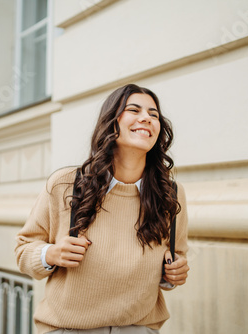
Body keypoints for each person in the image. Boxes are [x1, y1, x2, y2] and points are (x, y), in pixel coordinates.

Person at [15, 83, 189, 334]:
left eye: (154, 114)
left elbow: (175, 258)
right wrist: (51, 254)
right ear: (111, 122)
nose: (146, 118)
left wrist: (174, 274)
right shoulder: (65, 184)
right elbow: (23, 250)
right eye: (134, 110)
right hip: (68, 329)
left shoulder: (170, 193)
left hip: (139, 328)